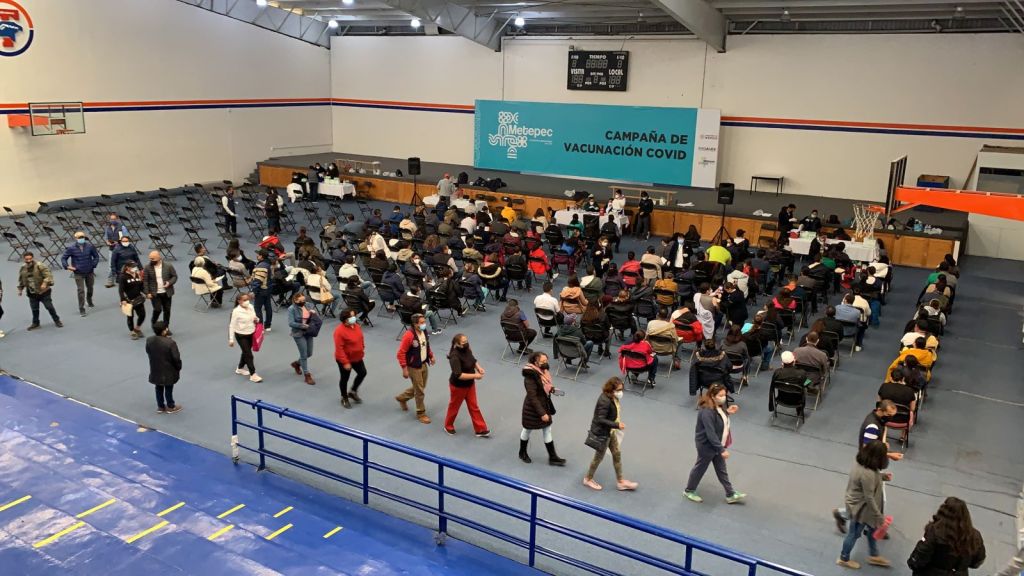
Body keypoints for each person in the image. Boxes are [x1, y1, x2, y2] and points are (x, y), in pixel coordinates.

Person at [684, 383, 745, 504]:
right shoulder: (707, 412)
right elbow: (710, 433)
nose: (723, 397)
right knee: (700, 468)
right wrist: (721, 450)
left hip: (717, 445)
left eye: (724, 395)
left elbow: (719, 419)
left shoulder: (718, 406)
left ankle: (730, 493)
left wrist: (727, 412)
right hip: (707, 446)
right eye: (720, 395)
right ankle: (689, 490)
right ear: (712, 395)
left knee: (721, 469)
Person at [836, 440, 891, 569]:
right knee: (853, 534)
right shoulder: (868, 474)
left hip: (863, 507)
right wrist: (879, 517)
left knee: (872, 530)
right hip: (860, 510)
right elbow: (869, 497)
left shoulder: (863, 463)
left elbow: (868, 480)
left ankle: (874, 555)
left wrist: (882, 477)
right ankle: (843, 558)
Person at [583, 377, 638, 491]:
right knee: (598, 457)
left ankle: (621, 482)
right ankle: (588, 479)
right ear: (611, 389)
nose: (621, 392)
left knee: (617, 454)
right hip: (603, 433)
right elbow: (600, 419)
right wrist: (617, 425)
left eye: (621, 389)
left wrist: (615, 426)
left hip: (610, 431)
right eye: (618, 390)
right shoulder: (604, 400)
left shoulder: (613, 397)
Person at [907, 497, 986, 575]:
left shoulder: (935, 532)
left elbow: (920, 557)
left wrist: (913, 563)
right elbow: (978, 561)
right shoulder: (975, 535)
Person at [519, 352, 564, 465]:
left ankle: (552, 457)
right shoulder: (530, 377)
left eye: (546, 361)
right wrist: (542, 413)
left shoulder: (543, 372)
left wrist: (551, 389)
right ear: (535, 362)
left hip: (544, 404)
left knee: (547, 429)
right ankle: (522, 452)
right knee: (527, 429)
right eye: (543, 361)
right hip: (532, 408)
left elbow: (545, 386)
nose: (546, 363)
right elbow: (532, 397)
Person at [445, 334, 490, 437]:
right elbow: (459, 375)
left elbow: (473, 360)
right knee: (454, 407)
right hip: (458, 387)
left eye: (466, 341)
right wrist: (475, 376)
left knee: (474, 406)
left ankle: (480, 429)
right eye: (463, 342)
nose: (466, 343)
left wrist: (479, 368)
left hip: (470, 384)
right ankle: (448, 426)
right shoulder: (454, 356)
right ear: (457, 344)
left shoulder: (467, 349)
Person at [395, 313, 436, 424]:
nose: (424, 324)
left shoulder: (424, 331)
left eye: (424, 322)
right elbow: (401, 353)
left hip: (423, 363)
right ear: (415, 324)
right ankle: (421, 413)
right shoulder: (409, 335)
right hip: (413, 366)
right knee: (420, 391)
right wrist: (404, 369)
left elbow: (426, 345)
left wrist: (431, 355)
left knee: (421, 387)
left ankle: (402, 397)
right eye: (421, 323)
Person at [17, 252, 63, 330]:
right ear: (24, 259)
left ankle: (57, 320)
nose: (28, 260)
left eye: (30, 259)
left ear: (33, 258)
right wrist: (20, 289)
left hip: (43, 292)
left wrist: (45, 283)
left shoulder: (40, 265)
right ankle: (36, 323)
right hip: (31, 292)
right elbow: (22, 279)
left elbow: (48, 275)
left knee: (49, 307)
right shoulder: (23, 268)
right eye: (26, 259)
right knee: (34, 309)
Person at [145, 321, 182, 414]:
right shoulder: (171, 343)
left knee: (158, 387)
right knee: (168, 387)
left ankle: (160, 406)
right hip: (169, 370)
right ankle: (171, 406)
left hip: (155, 368)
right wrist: (178, 367)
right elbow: (176, 358)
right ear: (164, 331)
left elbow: (148, 351)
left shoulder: (149, 340)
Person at [61, 231, 101, 317]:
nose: (81, 239)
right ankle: (81, 308)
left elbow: (96, 257)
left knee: (90, 288)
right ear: (76, 238)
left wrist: (93, 265)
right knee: (81, 290)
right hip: (78, 272)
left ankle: (89, 300)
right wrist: (67, 266)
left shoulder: (90, 246)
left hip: (89, 271)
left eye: (82, 237)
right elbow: (64, 258)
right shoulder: (71, 248)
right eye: (79, 237)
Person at [334, 308, 367, 409]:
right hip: (345, 359)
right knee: (345, 378)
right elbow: (339, 349)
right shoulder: (339, 331)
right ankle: (344, 397)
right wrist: (345, 362)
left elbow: (360, 338)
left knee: (362, 373)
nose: (354, 318)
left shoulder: (356, 326)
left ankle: (352, 392)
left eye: (354, 316)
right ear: (345, 319)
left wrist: (362, 348)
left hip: (357, 357)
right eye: (352, 316)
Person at [228, 293, 262, 382]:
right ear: (239, 301)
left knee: (245, 352)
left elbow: (255, 317)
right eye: (244, 300)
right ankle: (253, 374)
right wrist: (231, 339)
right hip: (241, 335)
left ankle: (240, 368)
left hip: (251, 333)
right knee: (249, 355)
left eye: (248, 299)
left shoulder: (251, 306)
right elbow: (232, 325)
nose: (247, 301)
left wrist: (257, 319)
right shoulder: (236, 311)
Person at [287, 292, 319, 385]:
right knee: (304, 355)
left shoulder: (308, 305)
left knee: (309, 353)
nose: (303, 302)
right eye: (300, 301)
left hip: (309, 332)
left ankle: (297, 364)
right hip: (298, 333)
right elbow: (291, 323)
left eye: (304, 300)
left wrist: (314, 313)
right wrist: (302, 325)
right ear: (295, 300)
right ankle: (307, 375)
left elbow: (314, 318)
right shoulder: (291, 309)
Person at [143, 251, 177, 334]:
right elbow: (145, 281)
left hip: (167, 292)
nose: (151, 260)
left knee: (167, 310)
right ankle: (154, 323)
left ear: (159, 258)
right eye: (150, 259)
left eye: (153, 259)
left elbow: (174, 276)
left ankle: (166, 328)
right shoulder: (147, 267)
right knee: (157, 309)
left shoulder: (168, 266)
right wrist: (147, 293)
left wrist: (169, 282)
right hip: (155, 293)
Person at [118, 262, 146, 340]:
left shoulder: (137, 274)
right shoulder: (123, 277)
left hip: (138, 299)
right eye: (133, 267)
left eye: (135, 266)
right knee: (130, 317)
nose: (135, 268)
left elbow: (141, 287)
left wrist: (146, 293)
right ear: (128, 267)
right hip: (128, 301)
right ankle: (132, 331)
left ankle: (137, 328)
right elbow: (121, 290)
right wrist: (122, 299)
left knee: (142, 315)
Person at [102, 214, 129, 287]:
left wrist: (118, 242)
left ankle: (124, 281)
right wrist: (107, 242)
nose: (112, 220)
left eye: (114, 219)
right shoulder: (107, 227)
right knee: (111, 266)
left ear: (117, 219)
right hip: (112, 249)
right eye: (111, 219)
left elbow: (126, 237)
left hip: (121, 249)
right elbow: (106, 237)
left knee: (122, 265)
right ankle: (110, 282)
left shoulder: (122, 227)